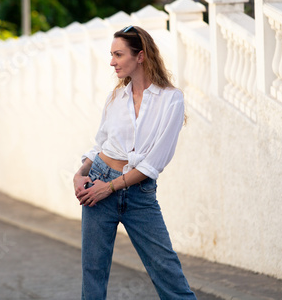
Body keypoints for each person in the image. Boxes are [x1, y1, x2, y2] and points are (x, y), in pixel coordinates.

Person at [73, 25, 197, 300]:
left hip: (138, 195)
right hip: (98, 183)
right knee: (93, 273)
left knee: (167, 270)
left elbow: (155, 161)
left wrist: (111, 187)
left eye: (118, 54)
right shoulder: (116, 97)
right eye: (111, 54)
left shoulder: (171, 99)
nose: (112, 62)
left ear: (140, 56)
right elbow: (99, 145)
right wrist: (80, 173)